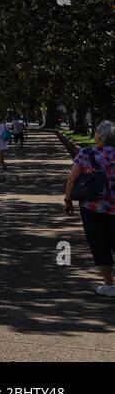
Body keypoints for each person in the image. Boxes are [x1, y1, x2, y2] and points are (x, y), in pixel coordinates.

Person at [63, 120, 115, 297]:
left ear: (98, 136)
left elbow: (72, 179)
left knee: (100, 246)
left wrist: (68, 201)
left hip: (92, 208)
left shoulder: (86, 153)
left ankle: (109, 285)